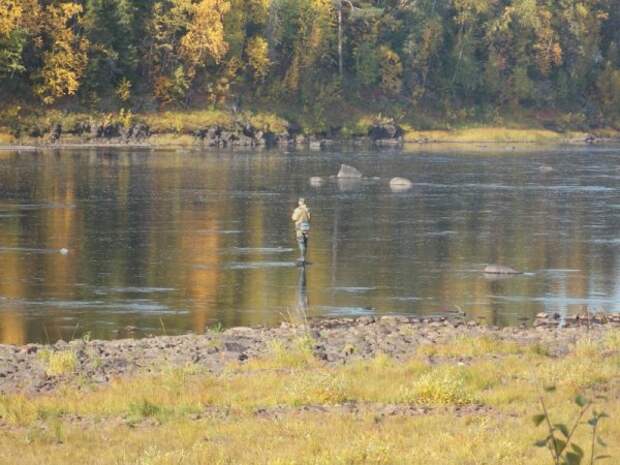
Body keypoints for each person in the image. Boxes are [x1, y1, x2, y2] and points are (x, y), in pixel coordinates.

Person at [291, 198, 311, 263]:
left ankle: (302, 258)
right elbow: (309, 218)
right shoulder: (307, 209)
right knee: (305, 242)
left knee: (300, 242)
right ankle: (304, 257)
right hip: (306, 226)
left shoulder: (298, 210)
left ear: (300, 202)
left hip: (299, 227)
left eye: (299, 201)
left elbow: (294, 218)